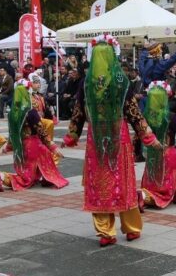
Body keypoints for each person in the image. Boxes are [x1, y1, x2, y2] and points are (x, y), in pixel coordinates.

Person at [63, 35, 161, 247]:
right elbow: (133, 112)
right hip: (119, 138)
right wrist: (148, 136)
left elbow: (78, 113)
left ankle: (106, 231)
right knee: (123, 182)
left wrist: (71, 136)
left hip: (96, 140)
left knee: (100, 184)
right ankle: (132, 228)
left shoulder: (86, 84)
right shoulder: (120, 81)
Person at [0, 82, 67, 192]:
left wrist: (8, 147)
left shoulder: (12, 113)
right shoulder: (30, 112)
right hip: (33, 145)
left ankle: (41, 177)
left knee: (28, 174)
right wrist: (53, 146)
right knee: (27, 179)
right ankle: (2, 177)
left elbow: (13, 134)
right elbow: (41, 131)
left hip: (20, 148)